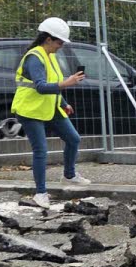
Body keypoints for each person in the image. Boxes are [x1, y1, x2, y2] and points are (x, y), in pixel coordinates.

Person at [12, 17, 90, 209]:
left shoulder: (50, 55)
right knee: (41, 151)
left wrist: (63, 102)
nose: (61, 45)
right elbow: (40, 86)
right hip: (30, 109)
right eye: (59, 42)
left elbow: (52, 82)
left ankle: (69, 176)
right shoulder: (34, 58)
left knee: (73, 139)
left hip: (51, 106)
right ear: (48, 39)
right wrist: (67, 83)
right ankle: (40, 193)